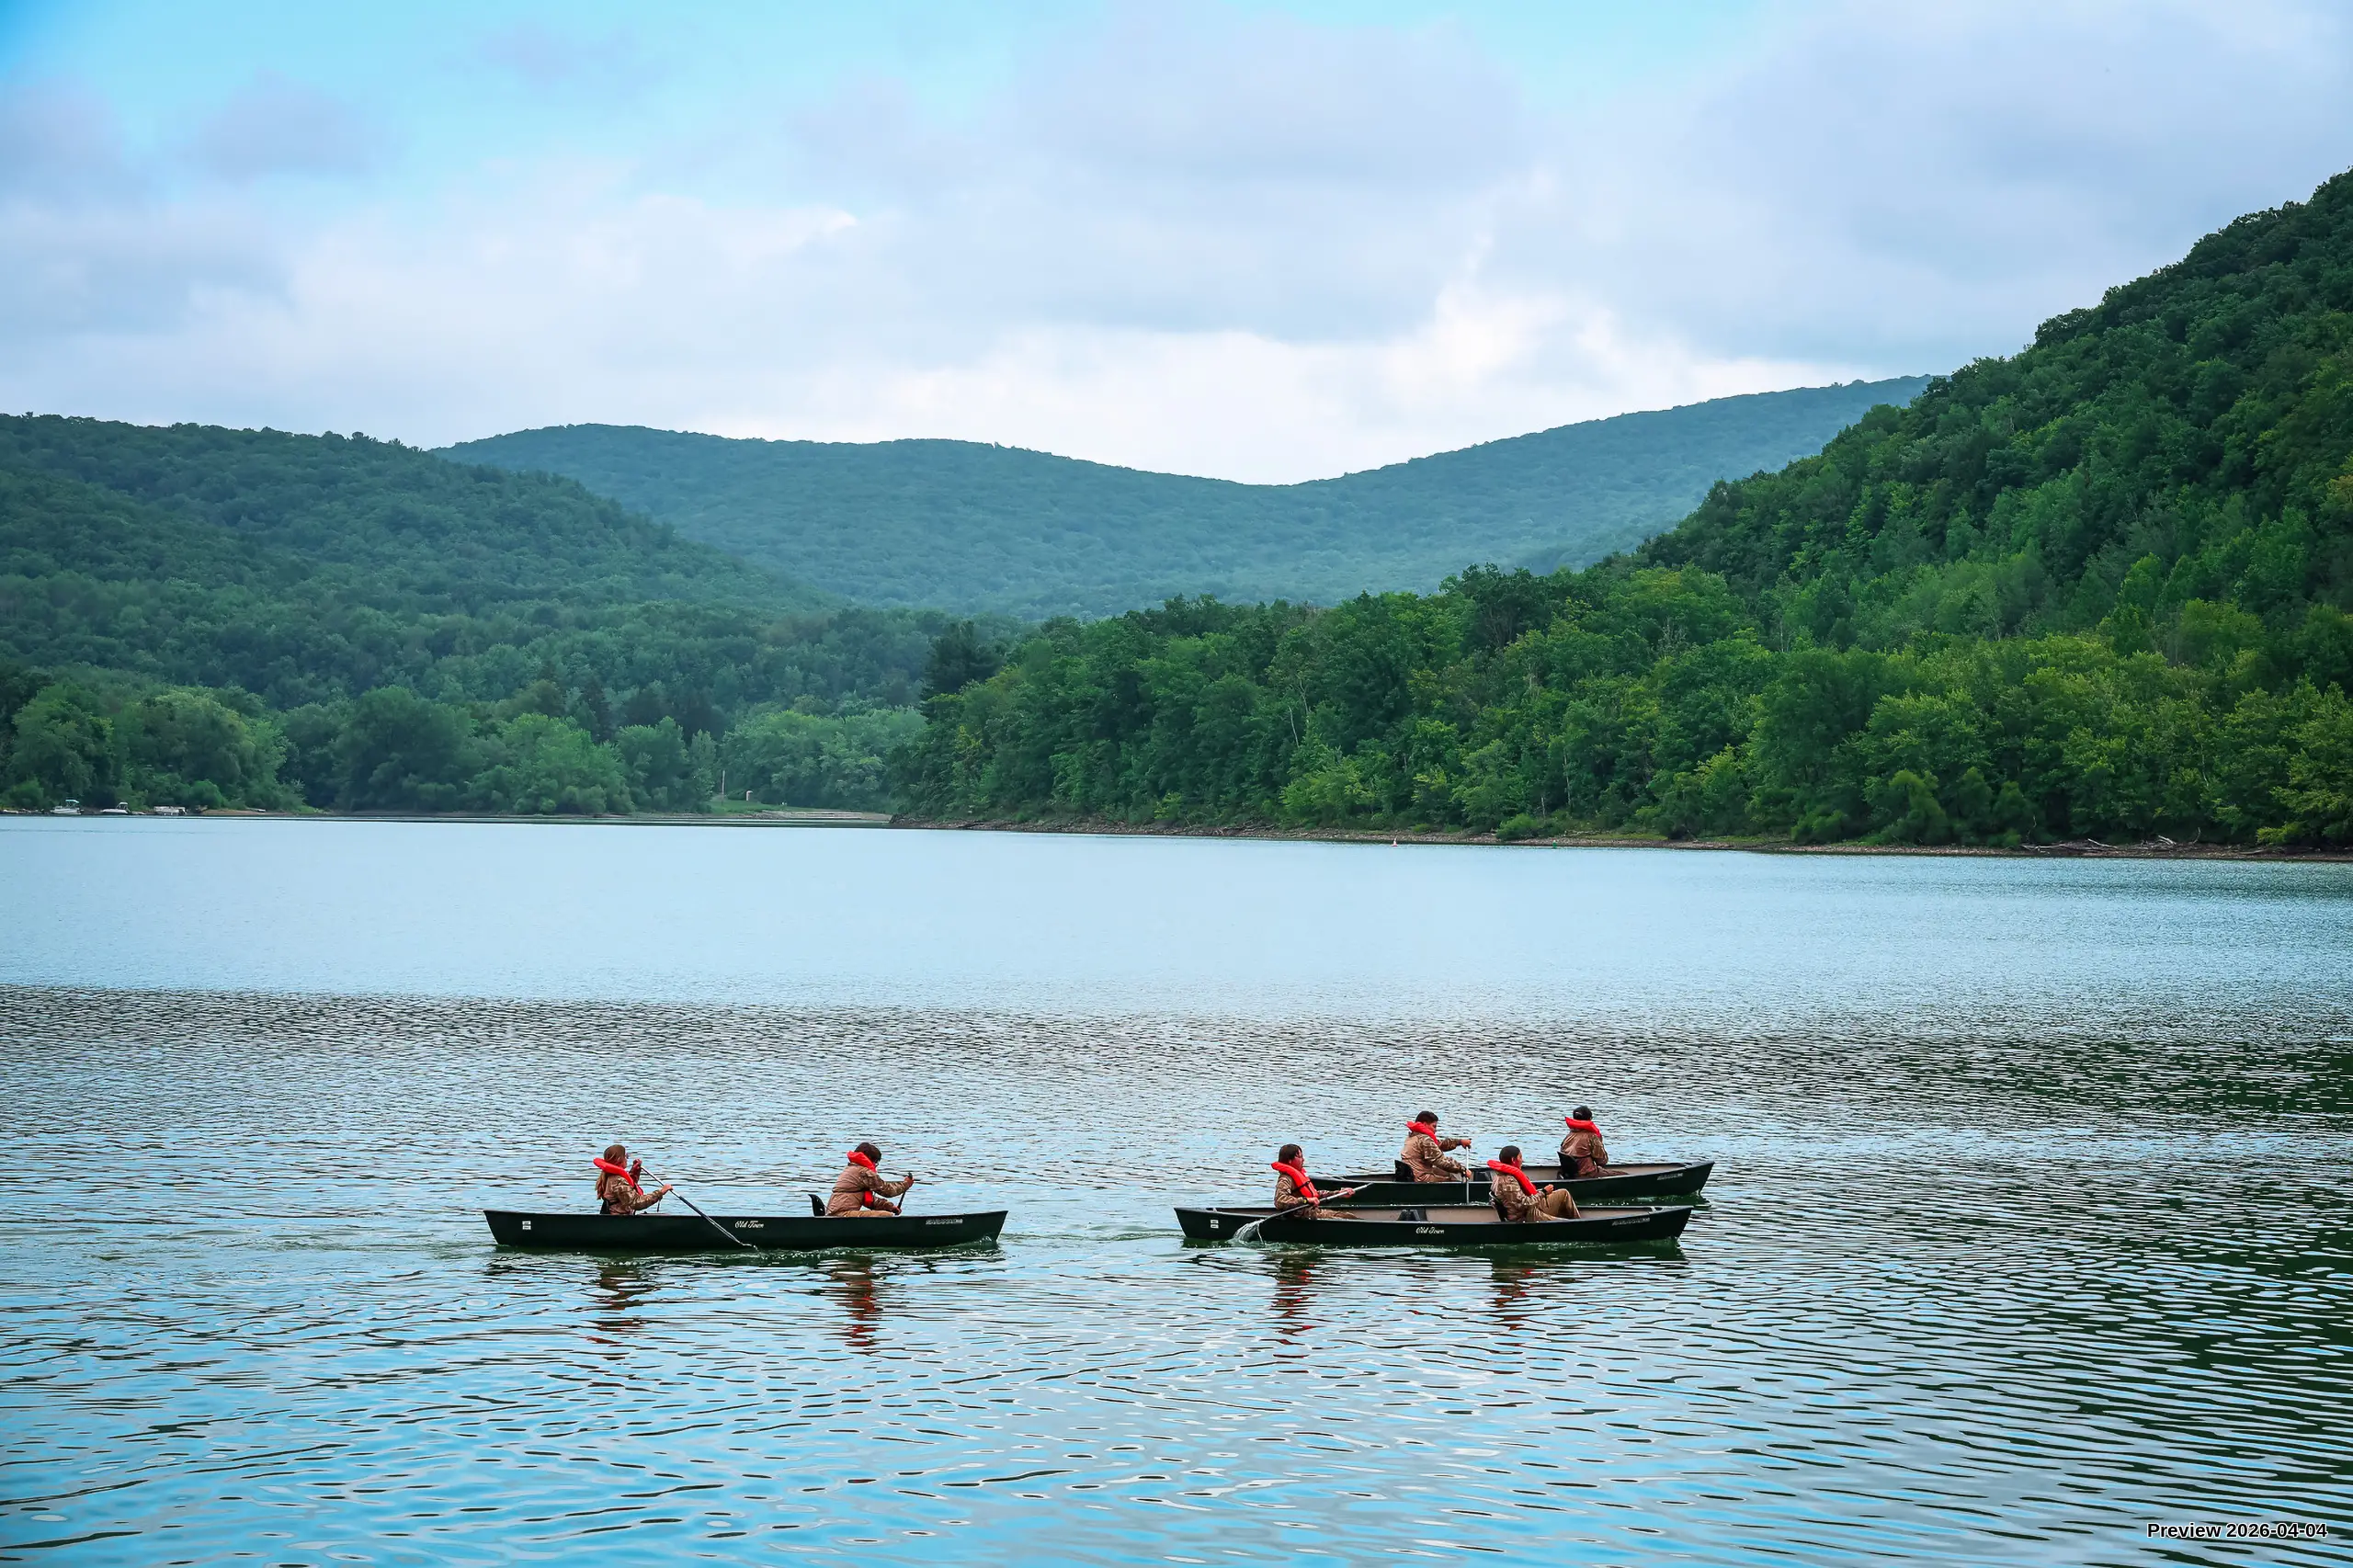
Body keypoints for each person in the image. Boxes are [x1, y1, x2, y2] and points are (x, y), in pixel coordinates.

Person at [1488, 1144, 1579, 1222]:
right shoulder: (1508, 1182)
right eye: (1520, 1157)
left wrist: (1541, 1193)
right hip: (1528, 1216)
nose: (1522, 1160)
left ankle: (1576, 1220)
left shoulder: (1499, 1176)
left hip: (1530, 1208)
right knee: (1566, 1223)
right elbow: (1524, 1204)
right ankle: (1577, 1224)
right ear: (1513, 1160)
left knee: (1564, 1193)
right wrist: (1543, 1192)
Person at [827, 1142, 916, 1217]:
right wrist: (906, 1184)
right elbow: (887, 1190)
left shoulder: (851, 1169)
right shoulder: (864, 1172)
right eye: (876, 1162)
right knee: (885, 1216)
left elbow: (868, 1201)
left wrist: (889, 1207)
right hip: (842, 1215)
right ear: (870, 1160)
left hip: (836, 1214)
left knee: (886, 1212)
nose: (875, 1166)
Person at [593, 1144, 672, 1215]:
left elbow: (627, 1189)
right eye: (626, 1156)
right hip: (618, 1221)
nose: (627, 1159)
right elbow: (636, 1203)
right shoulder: (617, 1181)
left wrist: (635, 1172)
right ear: (620, 1159)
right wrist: (660, 1192)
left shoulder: (611, 1176)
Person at [1399, 1110, 1473, 1183]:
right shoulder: (1425, 1140)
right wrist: (1463, 1170)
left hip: (1413, 1175)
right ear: (1425, 1125)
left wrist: (1459, 1142)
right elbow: (1441, 1161)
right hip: (1421, 1179)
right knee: (1454, 1178)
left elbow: (1438, 1145)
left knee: (1447, 1172)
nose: (1436, 1130)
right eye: (1434, 1126)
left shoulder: (1412, 1137)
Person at [1558, 1107, 1612, 1178]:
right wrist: (1600, 1141)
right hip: (1587, 1174)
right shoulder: (1592, 1137)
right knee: (1623, 1174)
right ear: (1589, 1119)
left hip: (1569, 1174)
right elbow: (1602, 1161)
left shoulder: (1569, 1136)